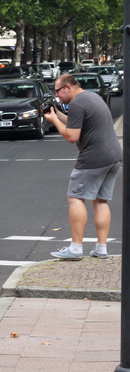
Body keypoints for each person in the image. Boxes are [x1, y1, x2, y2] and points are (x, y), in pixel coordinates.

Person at [43, 74, 122, 260]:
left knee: (75, 197)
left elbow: (72, 136)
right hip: (113, 156)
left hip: (93, 157)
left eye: (58, 91)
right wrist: (56, 114)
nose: (57, 96)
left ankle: (76, 248)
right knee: (101, 200)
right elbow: (74, 121)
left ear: (68, 88)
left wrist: (54, 121)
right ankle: (101, 248)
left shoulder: (77, 103)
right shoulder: (92, 96)